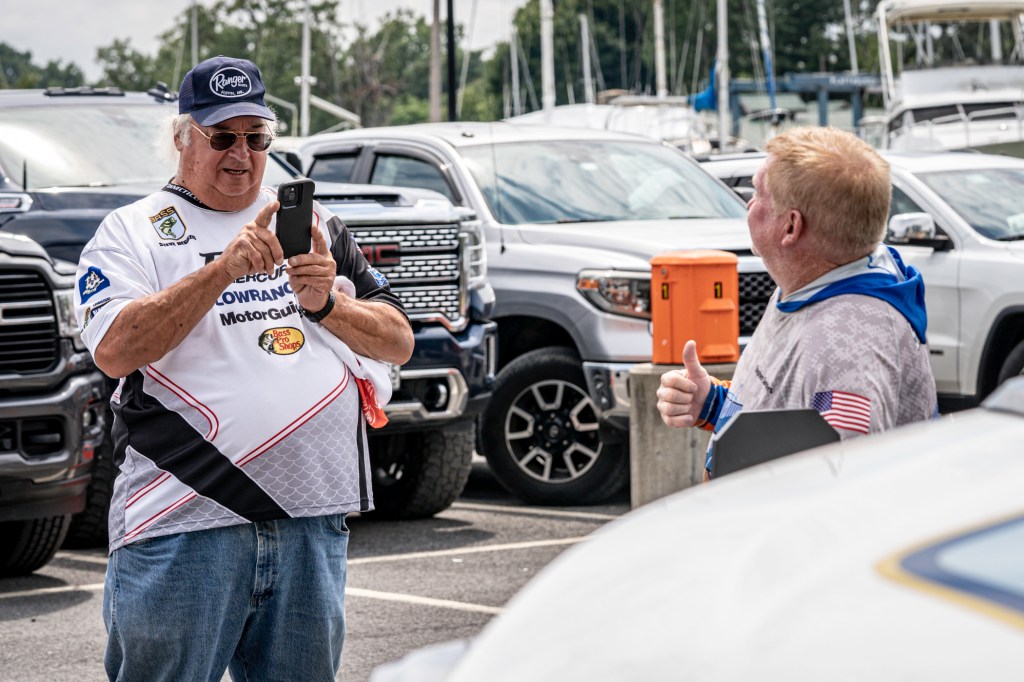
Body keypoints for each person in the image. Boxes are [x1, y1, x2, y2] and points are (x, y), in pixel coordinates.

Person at [75, 55, 414, 681]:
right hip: (183, 521)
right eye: (222, 137)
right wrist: (222, 270)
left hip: (311, 517)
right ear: (183, 138)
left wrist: (326, 303)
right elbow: (116, 350)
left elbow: (398, 341)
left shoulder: (315, 226)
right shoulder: (130, 231)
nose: (241, 154)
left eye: (256, 138)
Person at [656, 126, 936, 479]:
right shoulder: (815, 285)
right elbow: (793, 424)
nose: (749, 205)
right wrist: (711, 403)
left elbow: (842, 484)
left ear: (791, 227)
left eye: (758, 193)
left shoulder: (846, 345)